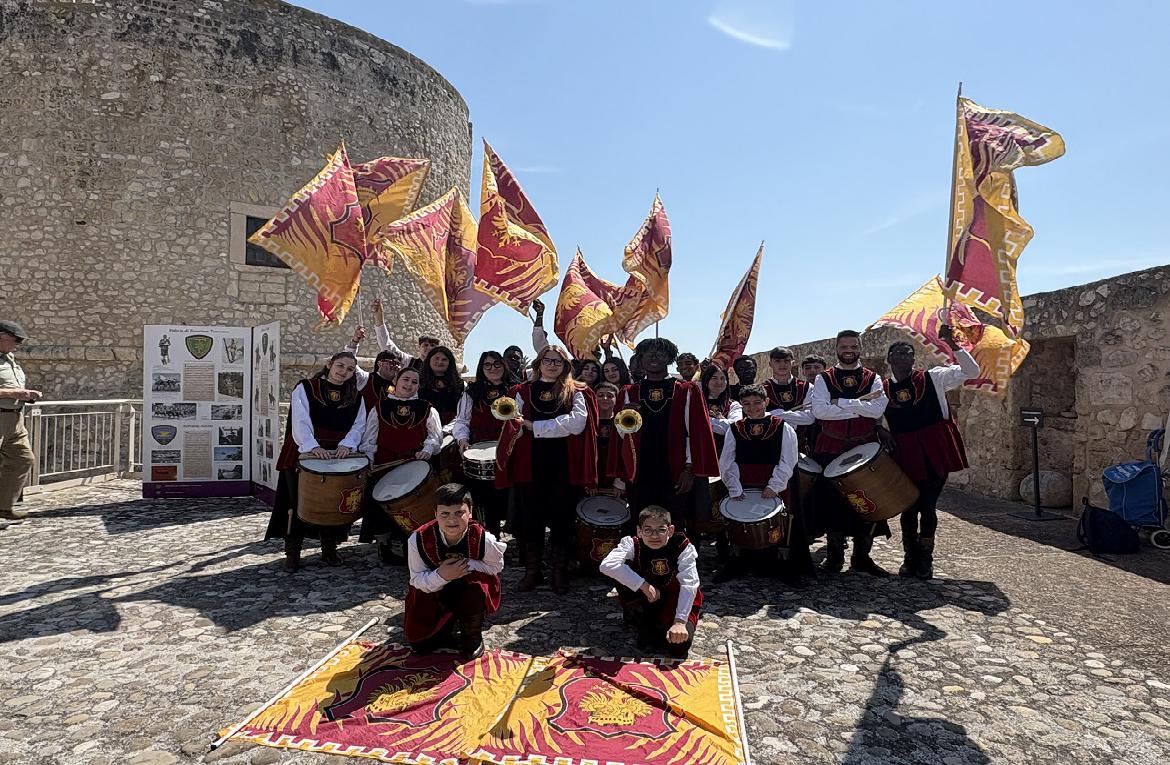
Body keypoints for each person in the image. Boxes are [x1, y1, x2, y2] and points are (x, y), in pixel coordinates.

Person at [496, 344, 597, 594]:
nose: (552, 365)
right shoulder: (522, 391)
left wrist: (533, 426)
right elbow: (513, 422)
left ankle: (559, 570)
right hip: (530, 462)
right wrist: (527, 426)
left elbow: (577, 424)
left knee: (563, 518)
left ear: (565, 366)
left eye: (558, 361)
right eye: (548, 360)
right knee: (531, 517)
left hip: (563, 462)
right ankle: (533, 570)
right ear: (539, 363)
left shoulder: (576, 391)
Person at [878, 331, 977, 579]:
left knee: (929, 506)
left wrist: (953, 345)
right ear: (889, 359)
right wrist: (880, 429)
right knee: (909, 508)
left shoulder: (934, 378)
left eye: (909, 353)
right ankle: (909, 557)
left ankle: (926, 559)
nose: (904, 358)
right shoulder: (882, 388)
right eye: (898, 354)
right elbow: (868, 415)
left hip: (934, 448)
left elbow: (971, 371)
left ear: (914, 359)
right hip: (905, 451)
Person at [266, 351, 367, 572]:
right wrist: (312, 447)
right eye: (340, 366)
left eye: (350, 369)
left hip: (338, 452)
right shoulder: (306, 387)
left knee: (332, 501)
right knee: (296, 503)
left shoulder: (356, 396)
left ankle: (329, 548)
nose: (344, 372)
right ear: (330, 365)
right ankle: (293, 551)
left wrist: (347, 444)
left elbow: (359, 425)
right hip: (305, 452)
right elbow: (300, 420)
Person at [610, 338, 719, 538]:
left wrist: (689, 470)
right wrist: (623, 417)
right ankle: (643, 565)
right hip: (640, 470)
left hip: (674, 470)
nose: (653, 357)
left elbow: (695, 433)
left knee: (675, 523)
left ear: (669, 359)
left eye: (660, 353)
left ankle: (676, 566)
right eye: (647, 353)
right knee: (640, 521)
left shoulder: (686, 390)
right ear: (640, 359)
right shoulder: (628, 392)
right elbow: (620, 438)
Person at [807, 330, 890, 576]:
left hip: (863, 446)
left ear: (860, 348)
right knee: (834, 502)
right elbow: (820, 412)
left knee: (868, 500)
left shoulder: (872, 378)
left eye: (853, 345)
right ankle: (834, 556)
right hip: (832, 446)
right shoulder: (824, 378)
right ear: (836, 349)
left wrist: (841, 403)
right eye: (844, 346)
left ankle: (861, 557)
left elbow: (877, 410)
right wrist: (859, 407)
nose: (849, 350)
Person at [404, 483, 505, 661]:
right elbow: (416, 579)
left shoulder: (484, 539)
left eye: (459, 513)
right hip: (434, 591)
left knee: (476, 585)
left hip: (468, 589)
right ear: (435, 514)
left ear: (470, 512)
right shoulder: (417, 539)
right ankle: (444, 627)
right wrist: (442, 575)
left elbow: (496, 567)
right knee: (420, 646)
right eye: (445, 514)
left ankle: (471, 633)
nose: (452, 520)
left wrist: (466, 565)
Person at [717, 384, 805, 585]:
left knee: (781, 521)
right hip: (743, 481)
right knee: (738, 522)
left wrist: (775, 485)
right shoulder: (735, 428)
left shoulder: (783, 427)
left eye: (757, 403)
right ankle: (737, 563)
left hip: (773, 481)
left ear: (766, 402)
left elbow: (788, 459)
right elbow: (727, 460)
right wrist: (733, 486)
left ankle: (781, 565)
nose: (752, 408)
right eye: (746, 404)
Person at [359, 366, 444, 563]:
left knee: (414, 508)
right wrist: (369, 461)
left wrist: (427, 450)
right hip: (385, 466)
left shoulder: (427, 408)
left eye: (414, 382)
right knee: (381, 508)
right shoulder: (379, 407)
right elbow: (369, 440)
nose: (409, 384)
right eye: (406, 379)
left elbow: (435, 436)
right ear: (395, 381)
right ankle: (384, 547)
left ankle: (413, 548)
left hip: (415, 467)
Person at [599, 506, 702, 658]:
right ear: (639, 531)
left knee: (679, 647)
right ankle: (639, 617)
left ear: (671, 530)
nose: (654, 536)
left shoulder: (682, 546)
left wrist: (680, 621)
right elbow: (606, 566)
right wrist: (643, 585)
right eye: (648, 530)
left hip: (676, 598)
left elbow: (690, 584)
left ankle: (662, 626)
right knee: (621, 569)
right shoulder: (632, 543)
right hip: (648, 597)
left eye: (661, 529)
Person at [452, 351, 511, 534]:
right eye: (487, 365)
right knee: (483, 498)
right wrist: (462, 440)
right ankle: (487, 538)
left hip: (508, 450)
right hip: (479, 450)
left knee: (510, 494)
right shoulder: (472, 391)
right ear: (481, 368)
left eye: (496, 364)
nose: (492, 368)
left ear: (504, 366)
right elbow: (462, 420)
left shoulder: (515, 388)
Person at [699, 363, 741, 561]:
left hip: (724, 457)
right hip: (700, 456)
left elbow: (733, 427)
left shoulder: (733, 404)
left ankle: (724, 549)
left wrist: (706, 421)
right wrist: (714, 422)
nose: (719, 382)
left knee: (722, 500)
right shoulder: (695, 401)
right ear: (706, 381)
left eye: (723, 378)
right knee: (698, 502)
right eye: (714, 378)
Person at [0, 321, 39, 524]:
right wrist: (16, 393)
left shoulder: (9, 359)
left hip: (15, 418)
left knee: (23, 459)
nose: (15, 345)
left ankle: (4, 507)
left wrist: (25, 396)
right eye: (13, 340)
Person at [366, 298, 440, 371]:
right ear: (419, 347)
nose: (429, 348)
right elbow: (387, 346)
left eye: (433, 345)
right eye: (425, 345)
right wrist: (379, 318)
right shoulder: (409, 362)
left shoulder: (444, 369)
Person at [344, 325, 400, 410]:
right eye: (392, 363)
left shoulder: (398, 387)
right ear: (380, 364)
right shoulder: (365, 379)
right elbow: (347, 361)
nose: (395, 366)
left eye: (398, 364)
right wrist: (355, 341)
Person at [418, 346, 465, 427]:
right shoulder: (418, 382)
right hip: (423, 425)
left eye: (444, 359)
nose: (440, 362)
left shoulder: (459, 384)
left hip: (452, 429)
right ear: (429, 360)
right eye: (436, 358)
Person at [593, 382, 620, 494]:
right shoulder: (587, 422)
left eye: (610, 396)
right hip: (592, 479)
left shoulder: (623, 422)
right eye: (600, 395)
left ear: (616, 399)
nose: (605, 398)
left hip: (615, 481)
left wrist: (619, 483)